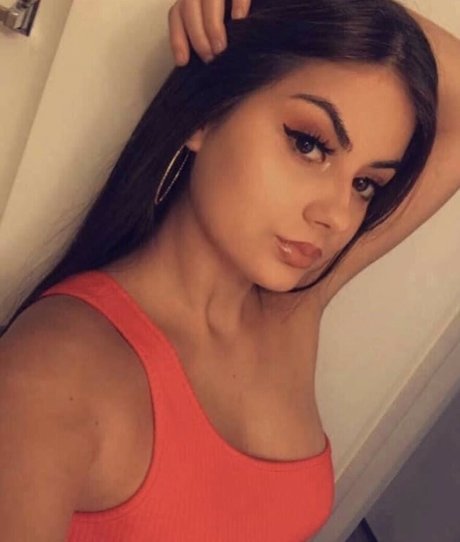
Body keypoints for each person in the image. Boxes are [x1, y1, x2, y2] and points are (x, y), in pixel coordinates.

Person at [0, 0, 458, 540]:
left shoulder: (292, 308)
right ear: (206, 112)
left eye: (365, 184)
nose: (337, 215)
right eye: (309, 144)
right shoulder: (54, 374)